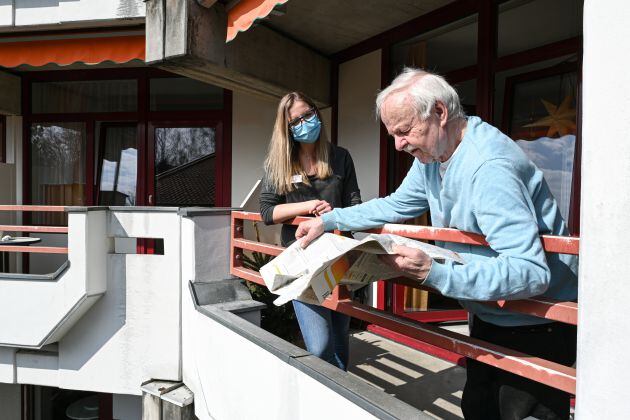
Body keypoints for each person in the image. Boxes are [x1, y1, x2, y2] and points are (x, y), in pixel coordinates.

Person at [295, 68, 578, 420]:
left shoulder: (489, 167)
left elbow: (530, 272)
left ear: (440, 113)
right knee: (478, 408)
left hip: (535, 323)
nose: (398, 144)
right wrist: (330, 219)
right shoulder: (435, 155)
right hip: (492, 311)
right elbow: (398, 204)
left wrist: (433, 271)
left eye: (404, 131)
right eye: (392, 134)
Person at [259, 91, 362, 371]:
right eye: (296, 121)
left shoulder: (341, 157)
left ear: (317, 113)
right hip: (302, 263)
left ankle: (340, 400)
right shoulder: (278, 164)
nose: (305, 122)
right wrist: (308, 206)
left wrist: (336, 216)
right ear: (287, 128)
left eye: (308, 114)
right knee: (319, 347)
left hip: (339, 259)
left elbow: (356, 205)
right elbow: (267, 212)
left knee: (341, 340)